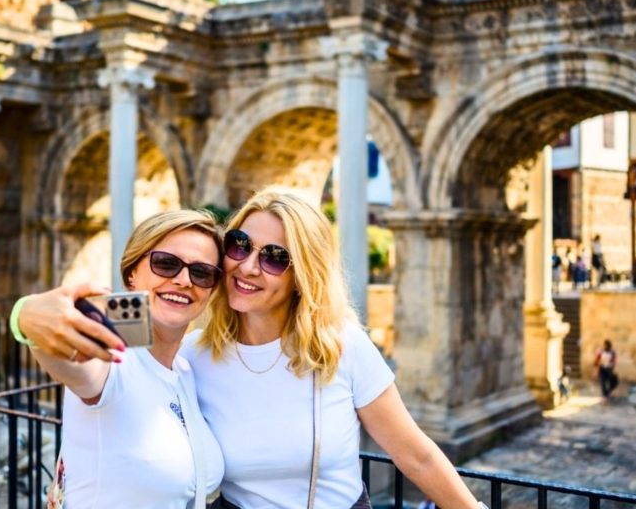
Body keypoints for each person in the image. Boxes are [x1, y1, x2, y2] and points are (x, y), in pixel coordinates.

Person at [181, 189, 486, 509]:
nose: (248, 267)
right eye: (240, 245)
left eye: (274, 258)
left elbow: (416, 457)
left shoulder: (342, 346)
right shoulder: (193, 357)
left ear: (302, 275)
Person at [10, 210, 225, 508]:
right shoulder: (111, 361)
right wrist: (26, 315)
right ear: (132, 274)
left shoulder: (186, 370)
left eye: (202, 272)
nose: (184, 279)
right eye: (166, 263)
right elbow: (69, 360)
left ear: (212, 290)